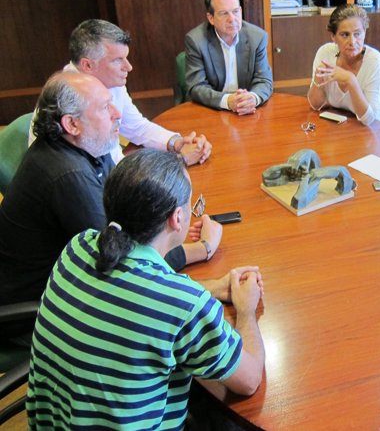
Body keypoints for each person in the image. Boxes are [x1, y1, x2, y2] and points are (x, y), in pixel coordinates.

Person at [26, 149, 265, 429]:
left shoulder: (79, 246)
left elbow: (131, 295)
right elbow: (249, 381)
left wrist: (211, 287)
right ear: (177, 218)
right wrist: (247, 310)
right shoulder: (183, 306)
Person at [0, 72, 221, 313]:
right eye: (105, 108)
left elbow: (126, 200)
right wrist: (204, 248)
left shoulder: (89, 146)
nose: (117, 113)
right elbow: (119, 261)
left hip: (70, 278)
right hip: (43, 304)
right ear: (72, 124)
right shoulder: (67, 176)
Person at [28, 19, 212, 165]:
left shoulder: (109, 81)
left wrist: (177, 143)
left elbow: (136, 127)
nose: (129, 67)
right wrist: (179, 160)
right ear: (88, 65)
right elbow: (114, 173)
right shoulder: (72, 103)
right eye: (117, 60)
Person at [307, 4, 380, 129]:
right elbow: (315, 105)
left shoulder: (375, 62)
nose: (352, 42)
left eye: (357, 34)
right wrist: (317, 81)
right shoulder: (325, 53)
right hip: (353, 125)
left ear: (364, 32)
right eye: (344, 35)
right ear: (333, 36)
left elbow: (369, 119)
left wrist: (351, 80)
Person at [185, 0, 273, 113]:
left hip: (247, 110)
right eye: (224, 13)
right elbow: (196, 87)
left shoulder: (257, 37)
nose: (232, 19)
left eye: (235, 11)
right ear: (211, 18)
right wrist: (227, 101)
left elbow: (264, 80)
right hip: (212, 110)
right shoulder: (196, 41)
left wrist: (253, 98)